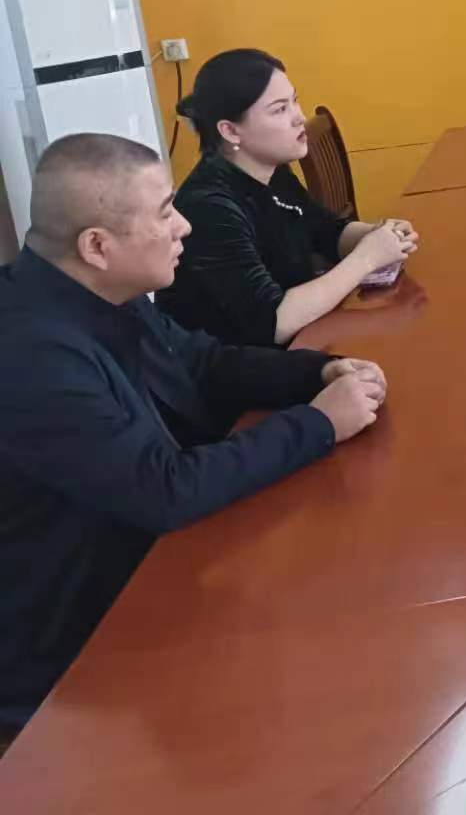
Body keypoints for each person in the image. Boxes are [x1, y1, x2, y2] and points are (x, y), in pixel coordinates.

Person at [0, 134, 388, 743]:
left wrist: (316, 373)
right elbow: (163, 489)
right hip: (76, 658)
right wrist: (319, 424)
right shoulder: (31, 353)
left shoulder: (100, 291)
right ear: (97, 246)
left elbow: (203, 363)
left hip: (160, 573)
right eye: (164, 213)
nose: (184, 226)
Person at [157, 49, 418, 347]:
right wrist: (368, 257)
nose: (299, 118)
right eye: (280, 109)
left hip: (300, 346)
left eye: (294, 101)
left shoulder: (271, 169)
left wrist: (379, 235)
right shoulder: (209, 207)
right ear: (230, 131)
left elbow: (327, 232)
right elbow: (272, 323)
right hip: (242, 366)